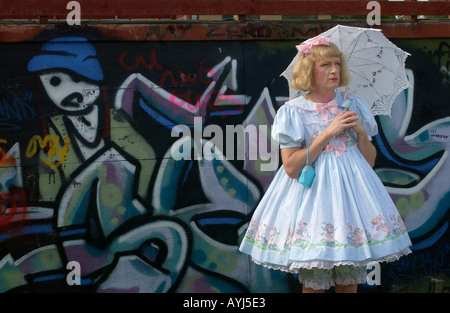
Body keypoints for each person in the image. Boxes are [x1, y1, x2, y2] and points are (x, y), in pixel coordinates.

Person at [239, 36, 412, 293]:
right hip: (311, 205)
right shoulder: (293, 111)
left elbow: (369, 162)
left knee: (348, 283)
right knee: (314, 285)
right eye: (325, 65)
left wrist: (362, 134)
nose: (333, 70)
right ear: (310, 70)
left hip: (351, 206)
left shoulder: (354, 105)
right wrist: (328, 132)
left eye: (336, 64)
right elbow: (291, 167)